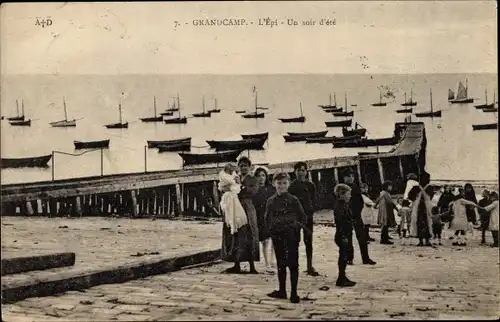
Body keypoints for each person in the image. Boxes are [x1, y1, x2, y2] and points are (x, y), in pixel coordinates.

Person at [265, 172, 306, 303]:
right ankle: (282, 291)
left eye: (284, 183)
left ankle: (294, 292)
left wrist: (295, 228)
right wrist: (271, 231)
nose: (281, 186)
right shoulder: (270, 201)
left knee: (293, 264)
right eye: (279, 183)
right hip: (278, 237)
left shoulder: (294, 200)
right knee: (281, 264)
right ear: (273, 184)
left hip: (291, 237)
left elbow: (303, 217)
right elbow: (267, 218)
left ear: (288, 184)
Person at [221, 157, 260, 274]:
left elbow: (254, 191)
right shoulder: (234, 177)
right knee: (235, 234)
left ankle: (252, 265)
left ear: (249, 167)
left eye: (246, 166)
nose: (243, 168)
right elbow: (225, 188)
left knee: (250, 234)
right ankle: (236, 264)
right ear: (238, 167)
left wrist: (241, 186)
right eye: (241, 165)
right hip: (234, 206)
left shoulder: (253, 179)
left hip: (247, 208)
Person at [288, 162, 320, 276]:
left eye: (303, 170)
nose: (301, 172)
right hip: (296, 219)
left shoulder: (311, 185)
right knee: (295, 242)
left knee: (309, 242)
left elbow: (314, 200)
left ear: (306, 171)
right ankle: (294, 265)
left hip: (308, 218)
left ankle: (309, 266)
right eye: (299, 170)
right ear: (295, 172)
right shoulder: (291, 186)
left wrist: (311, 212)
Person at [343, 170, 376, 265]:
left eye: (352, 176)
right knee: (348, 239)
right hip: (347, 217)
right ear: (344, 178)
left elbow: (360, 201)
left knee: (362, 237)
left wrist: (358, 212)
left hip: (356, 216)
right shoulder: (342, 188)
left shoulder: (355, 187)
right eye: (349, 176)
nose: (351, 178)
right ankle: (350, 258)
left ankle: (365, 258)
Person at [253, 166, 276, 273]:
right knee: (265, 241)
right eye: (258, 176)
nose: (261, 178)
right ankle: (267, 263)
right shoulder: (254, 190)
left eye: (263, 175)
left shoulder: (271, 189)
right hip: (260, 217)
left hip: (271, 216)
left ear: (266, 177)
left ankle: (273, 262)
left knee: (274, 239)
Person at [333, 183, 356, 287]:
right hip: (343, 235)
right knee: (343, 256)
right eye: (348, 194)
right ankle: (341, 278)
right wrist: (343, 236)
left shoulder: (342, 205)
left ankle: (342, 276)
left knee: (344, 256)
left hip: (344, 234)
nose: (350, 196)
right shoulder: (340, 206)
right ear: (341, 194)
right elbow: (340, 222)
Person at [374, 180, 399, 245]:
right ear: (386, 186)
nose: (391, 187)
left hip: (385, 211)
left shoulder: (382, 192)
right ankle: (384, 239)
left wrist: (375, 205)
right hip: (385, 211)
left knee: (386, 224)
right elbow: (390, 202)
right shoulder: (385, 193)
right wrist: (397, 209)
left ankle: (386, 236)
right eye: (390, 186)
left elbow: (378, 199)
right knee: (385, 225)